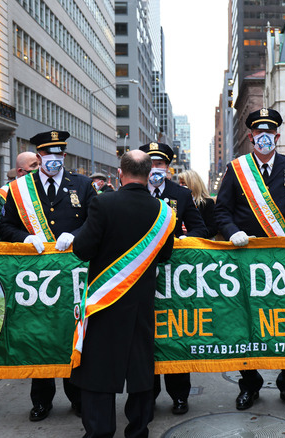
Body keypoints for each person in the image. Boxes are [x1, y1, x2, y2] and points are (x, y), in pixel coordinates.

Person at [215, 107, 285, 411]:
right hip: (246, 259)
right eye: (258, 133)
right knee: (246, 322)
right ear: (250, 137)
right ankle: (249, 382)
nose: (264, 137)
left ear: (277, 135)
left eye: (269, 132)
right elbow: (221, 210)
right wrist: (231, 231)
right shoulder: (237, 169)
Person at [70, 150, 175, 437]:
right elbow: (164, 255)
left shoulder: (103, 203)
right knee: (140, 366)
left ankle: (100, 431)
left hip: (105, 300)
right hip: (141, 301)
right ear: (148, 173)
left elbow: (82, 250)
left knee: (98, 368)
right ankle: (138, 429)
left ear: (120, 173)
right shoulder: (165, 212)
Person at [0, 130, 95, 421]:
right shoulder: (20, 188)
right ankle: (41, 401)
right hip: (35, 279)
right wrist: (25, 238)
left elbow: (95, 221)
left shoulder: (82, 184)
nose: (53, 159)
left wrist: (75, 235)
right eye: (47, 154)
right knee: (38, 336)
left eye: (59, 154)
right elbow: (5, 227)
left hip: (73, 276)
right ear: (38, 157)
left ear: (64, 156)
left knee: (71, 335)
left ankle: (77, 398)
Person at [139, 142, 208, 415]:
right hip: (140, 275)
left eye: (161, 164)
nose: (156, 169)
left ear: (168, 167)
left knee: (176, 334)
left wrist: (182, 239)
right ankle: (148, 395)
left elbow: (200, 228)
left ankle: (180, 395)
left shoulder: (181, 193)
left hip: (175, 276)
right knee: (147, 337)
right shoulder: (134, 190)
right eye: (151, 164)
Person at [0, 152, 39, 234]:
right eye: (34, 165)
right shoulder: (2, 195)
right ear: (20, 171)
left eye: (40, 164)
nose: (39, 168)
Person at [178, 169, 218, 238]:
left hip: (200, 244)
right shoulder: (176, 202)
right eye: (180, 183)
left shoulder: (207, 203)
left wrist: (193, 234)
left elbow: (213, 229)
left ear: (192, 184)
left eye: (183, 183)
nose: (180, 186)